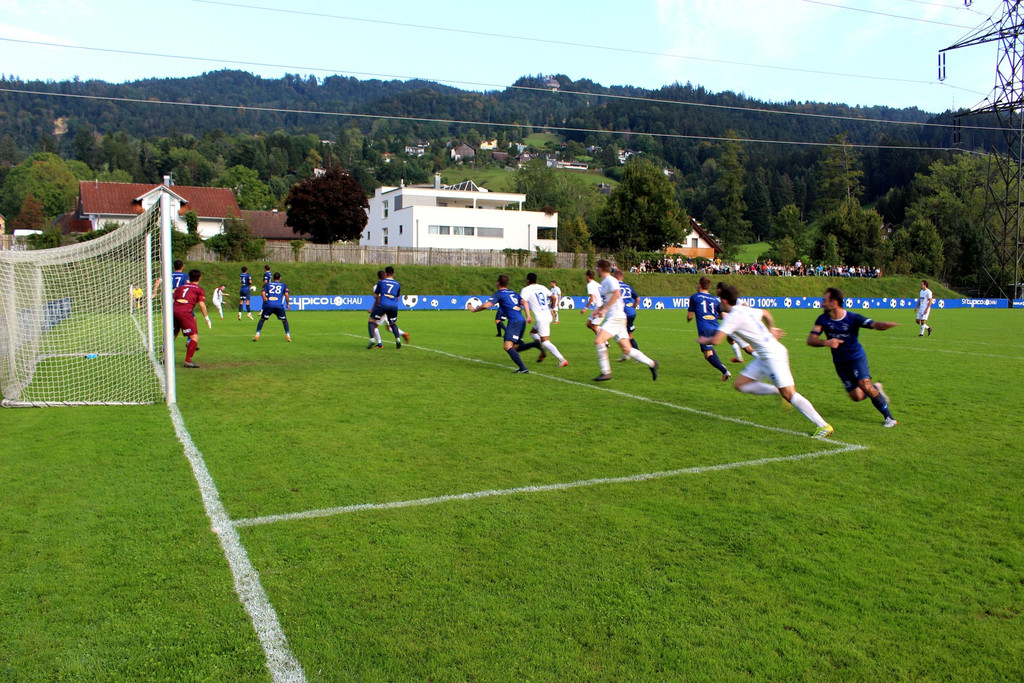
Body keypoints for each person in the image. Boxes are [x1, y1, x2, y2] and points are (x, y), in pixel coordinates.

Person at [698, 284, 833, 438]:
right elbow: (767, 314)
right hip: (765, 355)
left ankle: (823, 425)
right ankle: (776, 391)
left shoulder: (734, 316)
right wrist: (772, 329)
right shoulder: (745, 309)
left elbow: (716, 340)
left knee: (790, 394)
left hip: (773, 356)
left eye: (720, 302)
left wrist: (704, 339)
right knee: (740, 384)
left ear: (724, 300)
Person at [807, 287, 898, 428]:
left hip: (856, 357)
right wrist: (826, 342)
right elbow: (811, 340)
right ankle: (876, 388)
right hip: (840, 362)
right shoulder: (822, 319)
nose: (822, 303)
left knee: (864, 384)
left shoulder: (853, 318)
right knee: (857, 396)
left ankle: (889, 418)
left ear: (834, 302)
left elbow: (873, 324)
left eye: (825, 301)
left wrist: (884, 325)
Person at [591, 259, 658, 382]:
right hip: (619, 318)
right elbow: (607, 300)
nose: (596, 271)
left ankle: (606, 372)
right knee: (627, 349)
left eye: (597, 268)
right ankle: (652, 363)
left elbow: (617, 293)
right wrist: (599, 309)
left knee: (599, 341)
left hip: (615, 317)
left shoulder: (611, 280)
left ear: (600, 269)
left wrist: (604, 309)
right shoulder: (604, 283)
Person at [468, 274, 531, 373]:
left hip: (514, 321)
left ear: (498, 283)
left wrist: (474, 310)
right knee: (514, 346)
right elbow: (525, 303)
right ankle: (534, 346)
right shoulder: (514, 293)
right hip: (521, 320)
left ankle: (523, 368)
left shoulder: (499, 294)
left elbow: (486, 305)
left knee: (507, 346)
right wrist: (528, 316)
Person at [687, 276, 732, 381]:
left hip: (705, 329)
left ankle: (725, 371)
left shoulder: (694, 297)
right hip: (716, 328)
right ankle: (723, 369)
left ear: (699, 285)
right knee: (709, 351)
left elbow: (690, 316)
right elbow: (723, 315)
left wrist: (689, 319)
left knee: (708, 355)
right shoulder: (714, 300)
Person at [520, 272, 569, 367]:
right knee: (533, 333)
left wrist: (528, 315)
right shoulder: (542, 287)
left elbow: (523, 302)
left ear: (527, 280)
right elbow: (554, 298)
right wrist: (551, 308)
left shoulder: (526, 290)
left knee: (545, 341)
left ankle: (562, 359)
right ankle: (542, 350)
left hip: (541, 318)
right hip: (547, 315)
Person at [172, 268, 211, 369]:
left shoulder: (180, 288)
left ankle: (164, 356)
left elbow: (172, 299)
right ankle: (188, 361)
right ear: (199, 278)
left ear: (189, 277)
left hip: (173, 310)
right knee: (194, 336)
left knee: (174, 334)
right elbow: (202, 305)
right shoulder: (199, 289)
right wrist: (206, 318)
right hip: (185, 312)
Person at [715, 281, 757, 362]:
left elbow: (723, 315)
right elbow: (745, 305)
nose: (716, 290)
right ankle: (739, 358)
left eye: (717, 289)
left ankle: (762, 359)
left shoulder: (720, 300)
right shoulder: (731, 297)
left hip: (732, 325)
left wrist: (716, 316)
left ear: (719, 290)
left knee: (747, 348)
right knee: (730, 339)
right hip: (737, 323)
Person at [367, 270, 410, 348]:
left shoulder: (378, 285)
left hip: (382, 306)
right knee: (391, 325)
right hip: (393, 306)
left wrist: (373, 309)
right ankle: (401, 335)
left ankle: (379, 343)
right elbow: (397, 297)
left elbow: (377, 298)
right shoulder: (396, 283)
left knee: (373, 324)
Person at [613, 268, 642, 362]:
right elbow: (638, 299)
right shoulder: (628, 286)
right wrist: (632, 308)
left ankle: (637, 355)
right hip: (631, 312)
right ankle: (626, 354)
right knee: (626, 334)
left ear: (615, 277)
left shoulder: (615, 286)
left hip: (623, 313)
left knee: (620, 333)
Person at [253, 272, 290, 342]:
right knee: (284, 320)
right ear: (280, 278)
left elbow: (263, 293)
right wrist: (288, 304)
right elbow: (287, 294)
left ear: (273, 278)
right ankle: (288, 336)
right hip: (279, 305)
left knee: (262, 320)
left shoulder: (268, 285)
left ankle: (257, 335)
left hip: (269, 304)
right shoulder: (283, 285)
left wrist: (265, 300)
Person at [581, 269, 603, 335]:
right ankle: (603, 333)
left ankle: (604, 341)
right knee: (589, 324)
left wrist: (585, 308)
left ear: (587, 276)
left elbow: (591, 298)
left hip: (599, 307)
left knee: (594, 326)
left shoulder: (590, 285)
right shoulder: (598, 284)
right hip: (600, 306)